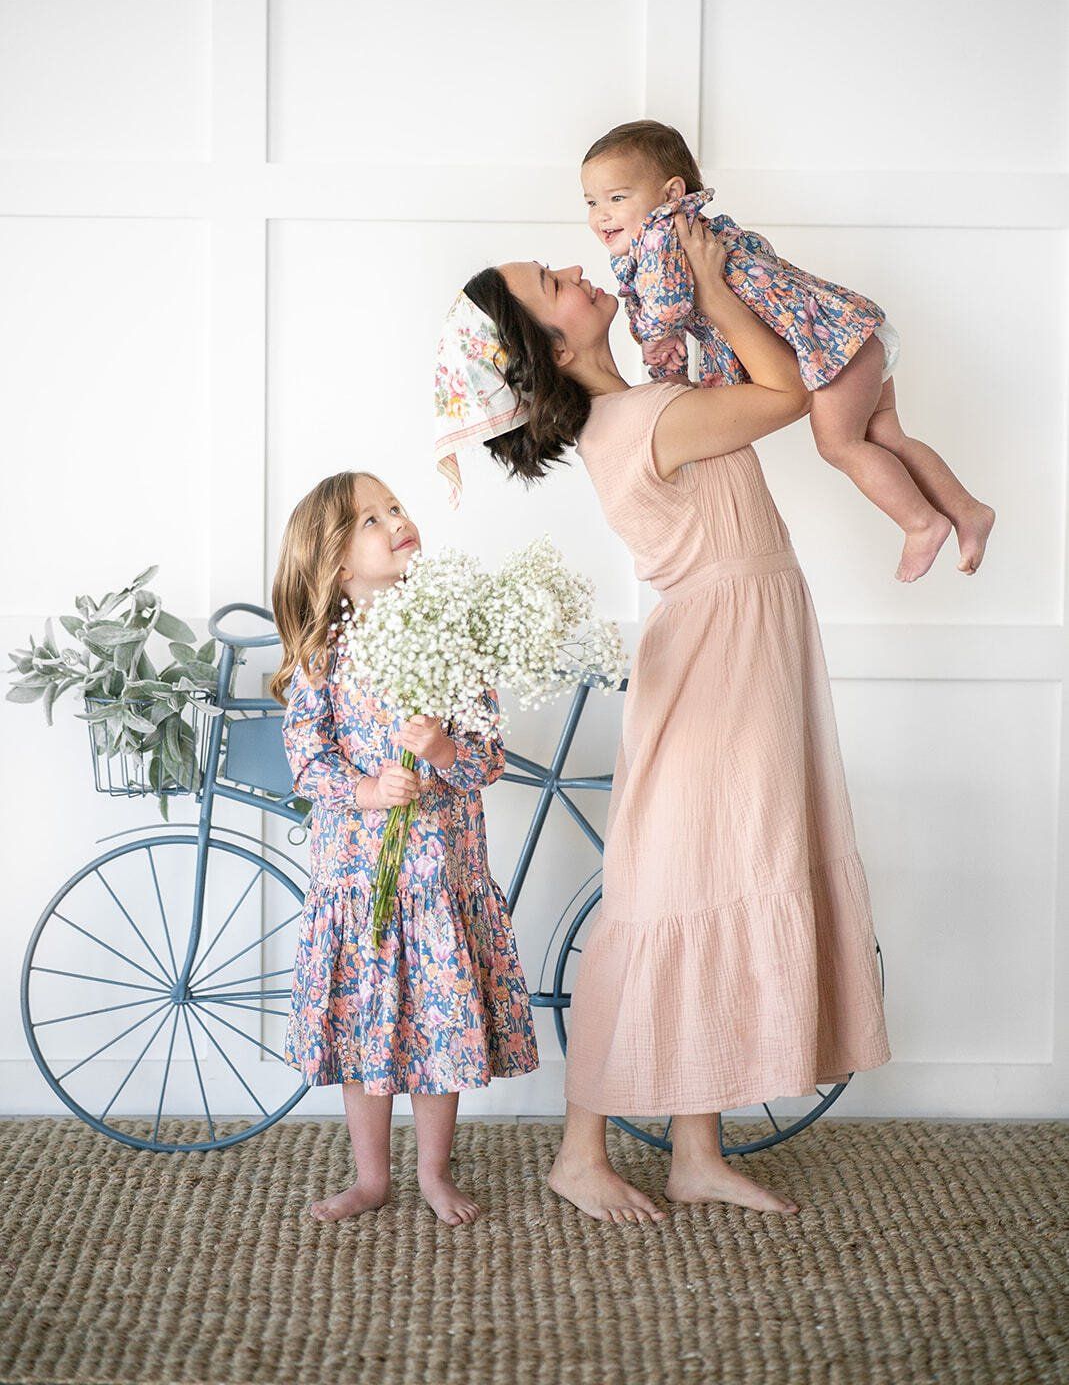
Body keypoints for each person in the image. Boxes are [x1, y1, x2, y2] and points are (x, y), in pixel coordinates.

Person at [437, 217, 890, 1224]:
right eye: (549, 280)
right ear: (552, 346)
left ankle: (695, 1150)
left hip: (734, 650)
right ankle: (578, 1153)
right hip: (720, 663)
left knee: (711, 887)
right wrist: (717, 289)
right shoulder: (645, 417)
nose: (572, 266)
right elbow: (785, 394)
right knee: (669, 901)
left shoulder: (641, 405)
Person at [270, 470, 538, 1225]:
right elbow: (307, 758)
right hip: (362, 884)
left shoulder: (451, 639)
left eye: (395, 507)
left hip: (438, 885)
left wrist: (444, 750)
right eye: (371, 519)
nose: (395, 520)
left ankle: (432, 1171)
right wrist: (366, 789)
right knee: (366, 1033)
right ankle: (370, 1178)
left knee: (437, 1031)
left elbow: (487, 757)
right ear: (336, 564)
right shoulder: (325, 653)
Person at [582, 118, 994, 583]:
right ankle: (968, 511)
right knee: (887, 438)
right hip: (846, 331)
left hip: (828, 349)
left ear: (671, 193)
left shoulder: (663, 235)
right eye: (592, 202)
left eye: (617, 198)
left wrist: (655, 338)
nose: (602, 215)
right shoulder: (697, 230)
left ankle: (921, 524)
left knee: (839, 445)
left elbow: (667, 303)